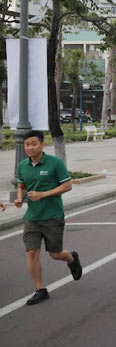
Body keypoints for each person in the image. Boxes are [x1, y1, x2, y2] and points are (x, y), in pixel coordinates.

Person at [15, 130, 79, 305]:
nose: (30, 147)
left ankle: (71, 259)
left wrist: (44, 194)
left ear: (42, 144)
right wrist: (20, 198)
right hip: (32, 218)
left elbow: (67, 186)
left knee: (55, 254)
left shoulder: (55, 163)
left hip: (52, 216)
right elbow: (21, 185)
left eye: (34, 144)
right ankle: (40, 289)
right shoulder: (22, 166)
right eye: (27, 144)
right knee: (32, 252)